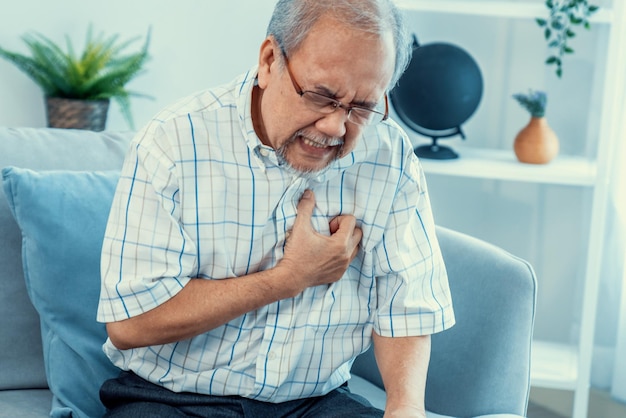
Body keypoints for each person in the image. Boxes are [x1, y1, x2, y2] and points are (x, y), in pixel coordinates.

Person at [97, 0, 455, 417]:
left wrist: (405, 408)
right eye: (322, 96)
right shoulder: (173, 142)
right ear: (270, 60)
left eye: (362, 108)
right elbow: (129, 324)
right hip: (171, 400)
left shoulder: (390, 157)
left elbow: (405, 305)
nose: (336, 127)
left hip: (314, 404)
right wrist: (291, 278)